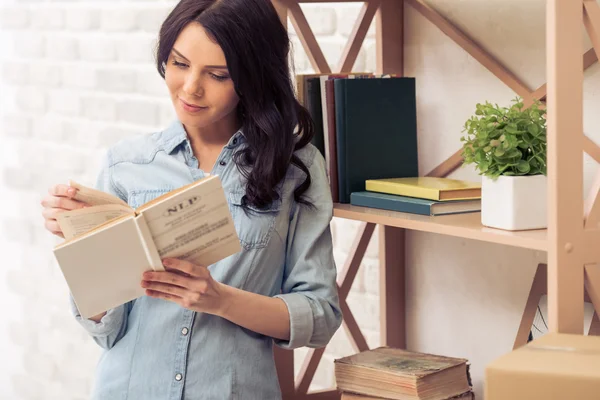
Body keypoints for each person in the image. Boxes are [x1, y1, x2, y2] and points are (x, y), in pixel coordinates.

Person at [39, 0, 343, 398]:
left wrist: (221, 300)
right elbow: (105, 328)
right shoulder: (127, 164)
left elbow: (320, 314)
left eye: (217, 75)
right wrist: (83, 249)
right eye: (179, 64)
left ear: (253, 77)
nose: (190, 88)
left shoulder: (296, 167)